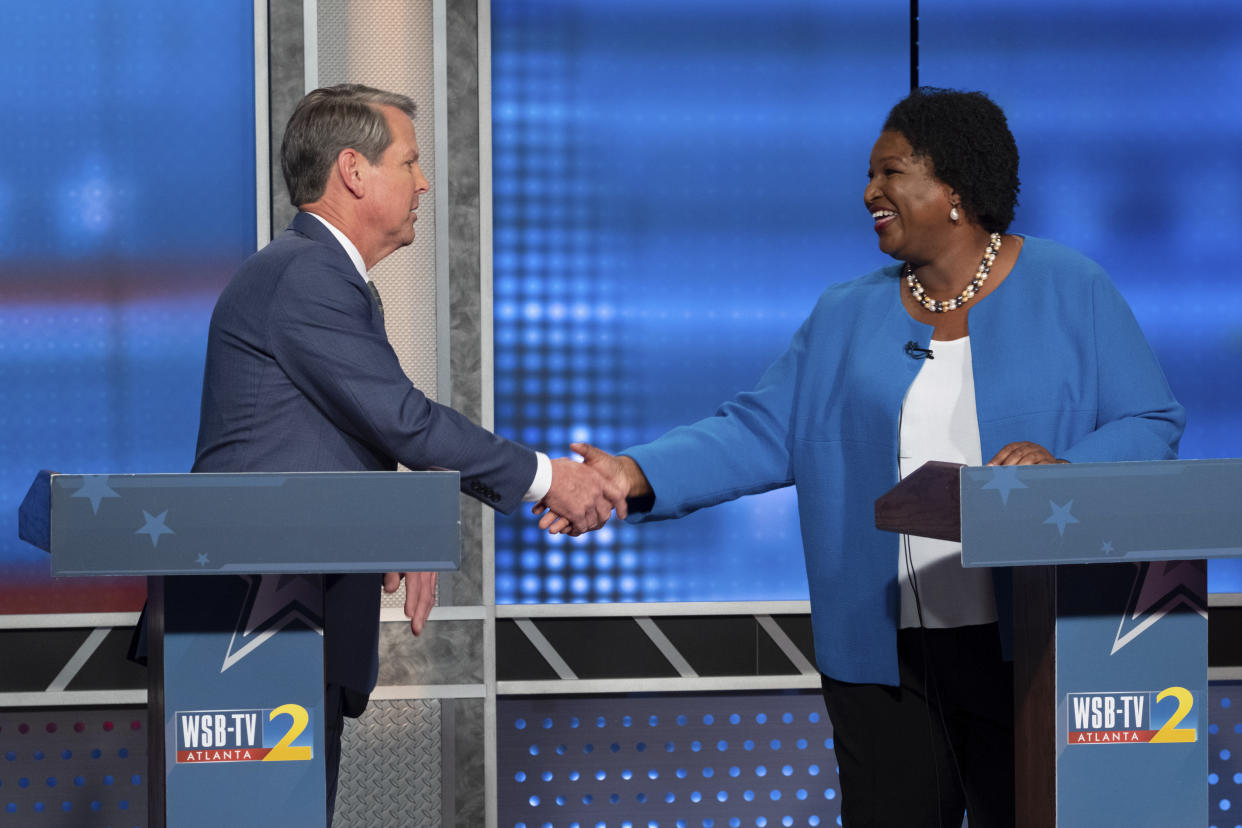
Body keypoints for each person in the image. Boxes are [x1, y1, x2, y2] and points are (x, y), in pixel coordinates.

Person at [547, 88, 1185, 827]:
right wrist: (633, 472)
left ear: (953, 188)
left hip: (1033, 649)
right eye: (870, 176)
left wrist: (1062, 474)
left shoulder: (1071, 288)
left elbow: (1150, 419)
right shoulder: (846, 313)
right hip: (883, 658)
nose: (869, 193)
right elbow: (761, 428)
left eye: (891, 173)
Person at [192, 83, 625, 822]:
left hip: (283, 621)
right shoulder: (308, 275)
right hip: (252, 627)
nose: (425, 182)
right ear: (355, 171)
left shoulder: (323, 278)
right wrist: (549, 479)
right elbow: (403, 419)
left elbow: (339, 430)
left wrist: (402, 520)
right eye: (411, 162)